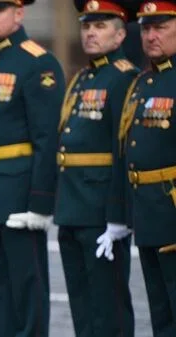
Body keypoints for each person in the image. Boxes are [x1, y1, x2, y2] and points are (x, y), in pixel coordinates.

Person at [0, 1, 66, 336]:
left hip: (19, 197)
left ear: (19, 13)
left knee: (27, 293)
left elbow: (46, 139)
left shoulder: (37, 62)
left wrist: (39, 203)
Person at [54, 1, 138, 336]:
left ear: (119, 36)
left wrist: (118, 215)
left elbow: (123, 152)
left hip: (101, 208)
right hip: (73, 206)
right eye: (87, 25)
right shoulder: (83, 78)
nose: (90, 32)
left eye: (100, 26)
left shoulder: (124, 79)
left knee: (109, 308)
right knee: (82, 306)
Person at [120, 1, 176, 335]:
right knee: (160, 312)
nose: (151, 36)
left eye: (161, 27)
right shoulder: (143, 83)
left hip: (172, 210)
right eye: (146, 29)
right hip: (149, 211)